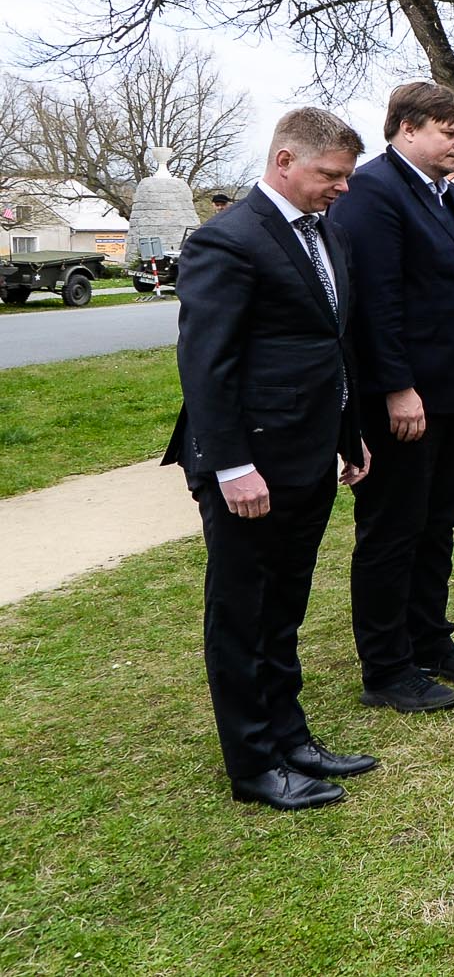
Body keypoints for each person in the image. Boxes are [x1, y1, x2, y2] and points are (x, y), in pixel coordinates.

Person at [164, 108, 375, 810]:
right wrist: (230, 466)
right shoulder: (227, 240)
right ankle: (253, 763)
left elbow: (331, 345)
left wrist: (348, 437)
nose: (342, 188)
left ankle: (292, 736)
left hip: (309, 454)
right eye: (331, 175)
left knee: (283, 607)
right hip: (248, 464)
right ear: (285, 160)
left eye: (347, 175)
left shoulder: (325, 235)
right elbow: (206, 362)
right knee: (242, 612)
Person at [332, 80, 454, 714]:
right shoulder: (374, 193)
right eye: (448, 131)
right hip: (402, 402)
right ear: (406, 128)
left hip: (452, 396)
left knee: (439, 521)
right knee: (393, 529)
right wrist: (399, 388)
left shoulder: (448, 194)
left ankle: (430, 640)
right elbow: (376, 304)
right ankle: (387, 666)